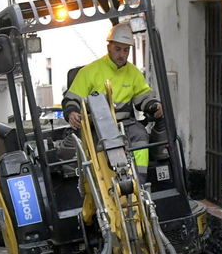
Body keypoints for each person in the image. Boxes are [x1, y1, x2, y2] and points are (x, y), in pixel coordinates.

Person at [61, 22, 163, 166]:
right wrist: (72, 112)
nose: (122, 55)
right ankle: (106, 184)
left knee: (140, 135)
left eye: (126, 50)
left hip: (126, 125)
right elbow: (72, 99)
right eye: (117, 49)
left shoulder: (133, 72)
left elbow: (144, 96)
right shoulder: (89, 72)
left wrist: (154, 105)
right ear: (109, 47)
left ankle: (140, 183)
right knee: (97, 146)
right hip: (98, 127)